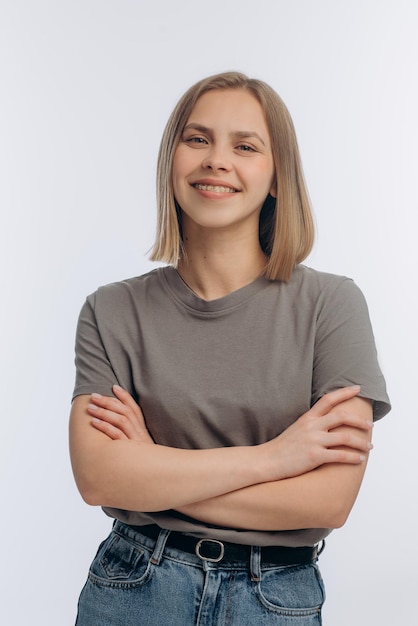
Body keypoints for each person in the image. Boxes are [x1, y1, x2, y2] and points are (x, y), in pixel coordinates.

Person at [69, 71, 390, 625]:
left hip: (275, 598)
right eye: (197, 140)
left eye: (245, 146)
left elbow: (327, 501)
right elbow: (99, 478)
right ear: (172, 160)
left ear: (276, 177)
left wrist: (150, 471)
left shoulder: (331, 305)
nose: (217, 160)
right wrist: (275, 459)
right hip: (133, 586)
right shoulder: (110, 310)